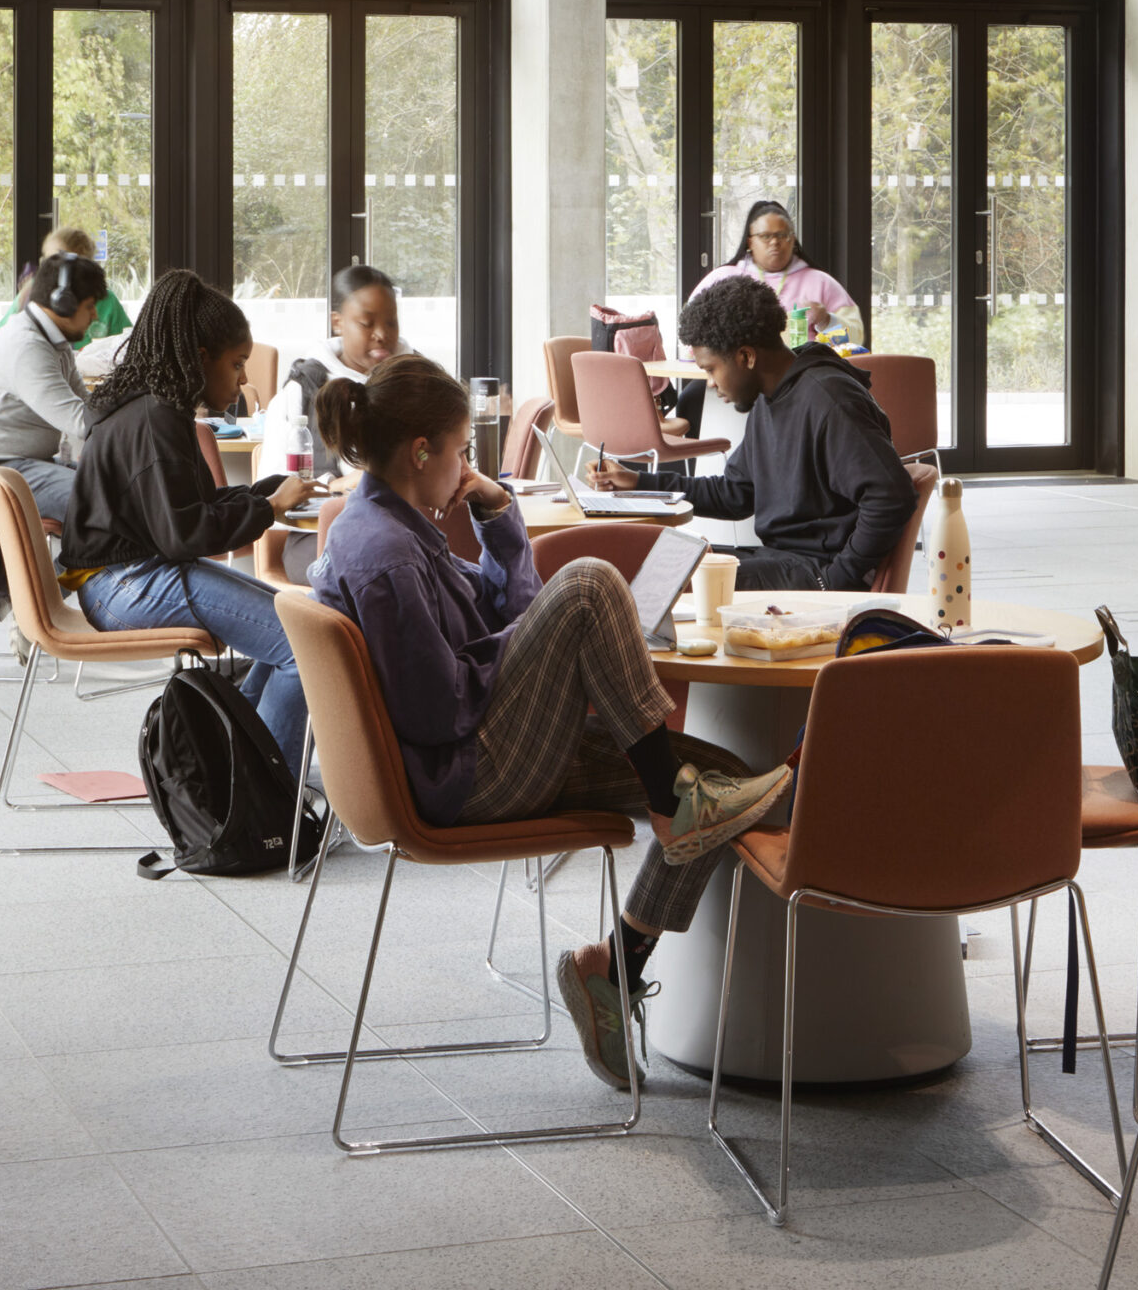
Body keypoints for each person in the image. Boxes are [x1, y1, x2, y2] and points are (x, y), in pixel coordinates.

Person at [311, 353, 793, 1092]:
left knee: (724, 786)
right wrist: (540, 648)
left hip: (484, 752)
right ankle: (671, 802)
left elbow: (501, 614)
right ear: (422, 452)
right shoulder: (385, 555)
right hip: (467, 776)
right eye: (461, 450)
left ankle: (613, 968)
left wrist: (500, 523)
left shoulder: (392, 526)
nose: (466, 466)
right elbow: (440, 708)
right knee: (591, 586)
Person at [57, 270, 315, 776]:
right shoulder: (156, 418)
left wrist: (267, 495)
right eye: (237, 364)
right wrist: (266, 509)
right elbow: (186, 535)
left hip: (129, 575)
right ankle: (267, 798)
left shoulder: (155, 406)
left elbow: (187, 509)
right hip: (127, 583)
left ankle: (250, 774)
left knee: (299, 627)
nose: (243, 379)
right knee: (304, 645)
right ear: (199, 357)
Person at [595, 276, 915, 593]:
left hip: (819, 571)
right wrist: (638, 483)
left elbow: (892, 496)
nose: (709, 382)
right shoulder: (768, 400)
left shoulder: (829, 400)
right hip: (781, 560)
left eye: (710, 369)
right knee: (650, 562)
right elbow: (734, 495)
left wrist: (837, 578)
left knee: (662, 583)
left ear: (746, 357)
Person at [0, 251, 106, 527]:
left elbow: (87, 404)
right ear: (63, 304)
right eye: (90, 306)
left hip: (22, 463)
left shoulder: (54, 341)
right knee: (102, 500)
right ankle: (85, 571)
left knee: (124, 487)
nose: (94, 315)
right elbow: (82, 422)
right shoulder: (26, 346)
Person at [258, 263, 411, 480]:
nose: (381, 334)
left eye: (391, 322)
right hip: (324, 513)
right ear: (337, 323)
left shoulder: (419, 383)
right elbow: (274, 489)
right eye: (367, 323)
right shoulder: (302, 390)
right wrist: (338, 486)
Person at [685, 198, 864, 346]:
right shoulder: (723, 278)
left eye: (782, 235)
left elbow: (857, 340)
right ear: (750, 242)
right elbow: (689, 327)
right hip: (732, 380)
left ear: (792, 239)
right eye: (765, 236)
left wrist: (826, 320)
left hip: (801, 379)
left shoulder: (820, 282)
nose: (774, 243)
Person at [0, 226, 131, 350]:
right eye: (48, 262)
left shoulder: (108, 301)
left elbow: (129, 346)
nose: (53, 271)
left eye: (63, 267)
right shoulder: (30, 297)